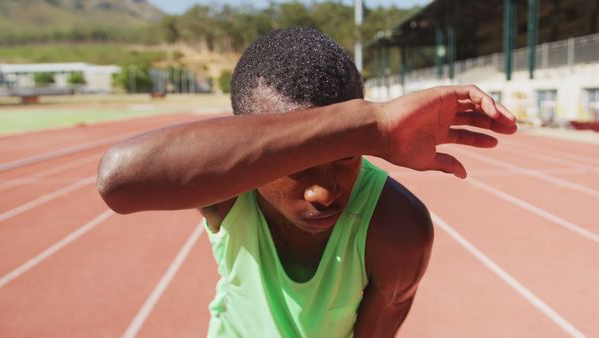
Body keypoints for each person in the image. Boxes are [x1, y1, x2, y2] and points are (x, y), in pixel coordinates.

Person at [96, 27, 516, 337]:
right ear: (254, 147)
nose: (323, 193)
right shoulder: (229, 187)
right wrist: (374, 122)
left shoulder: (397, 227)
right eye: (298, 162)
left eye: (347, 156)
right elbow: (118, 180)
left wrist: (364, 132)